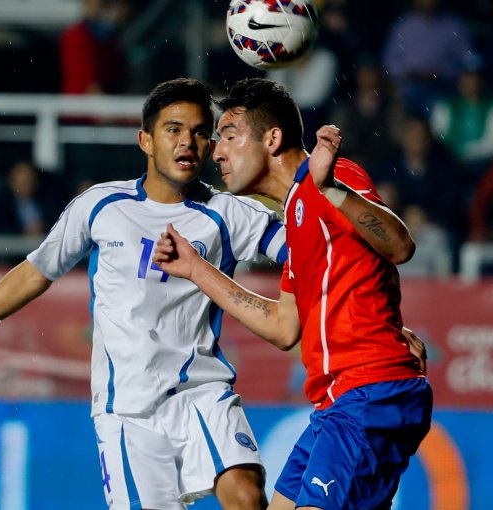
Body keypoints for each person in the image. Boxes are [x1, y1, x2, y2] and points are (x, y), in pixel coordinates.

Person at [0, 78, 285, 510]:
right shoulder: (100, 206)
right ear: (145, 140)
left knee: (246, 495)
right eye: (174, 129)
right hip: (126, 410)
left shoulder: (229, 213)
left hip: (202, 392)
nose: (188, 142)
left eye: (200, 131)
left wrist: (310, 185)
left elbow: (307, 250)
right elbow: (34, 274)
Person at [153, 78, 432, 510]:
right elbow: (284, 328)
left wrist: (330, 189)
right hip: (336, 405)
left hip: (370, 394)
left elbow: (399, 246)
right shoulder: (295, 220)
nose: (217, 151)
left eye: (228, 135)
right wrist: (195, 270)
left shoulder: (331, 177)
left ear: (273, 137)